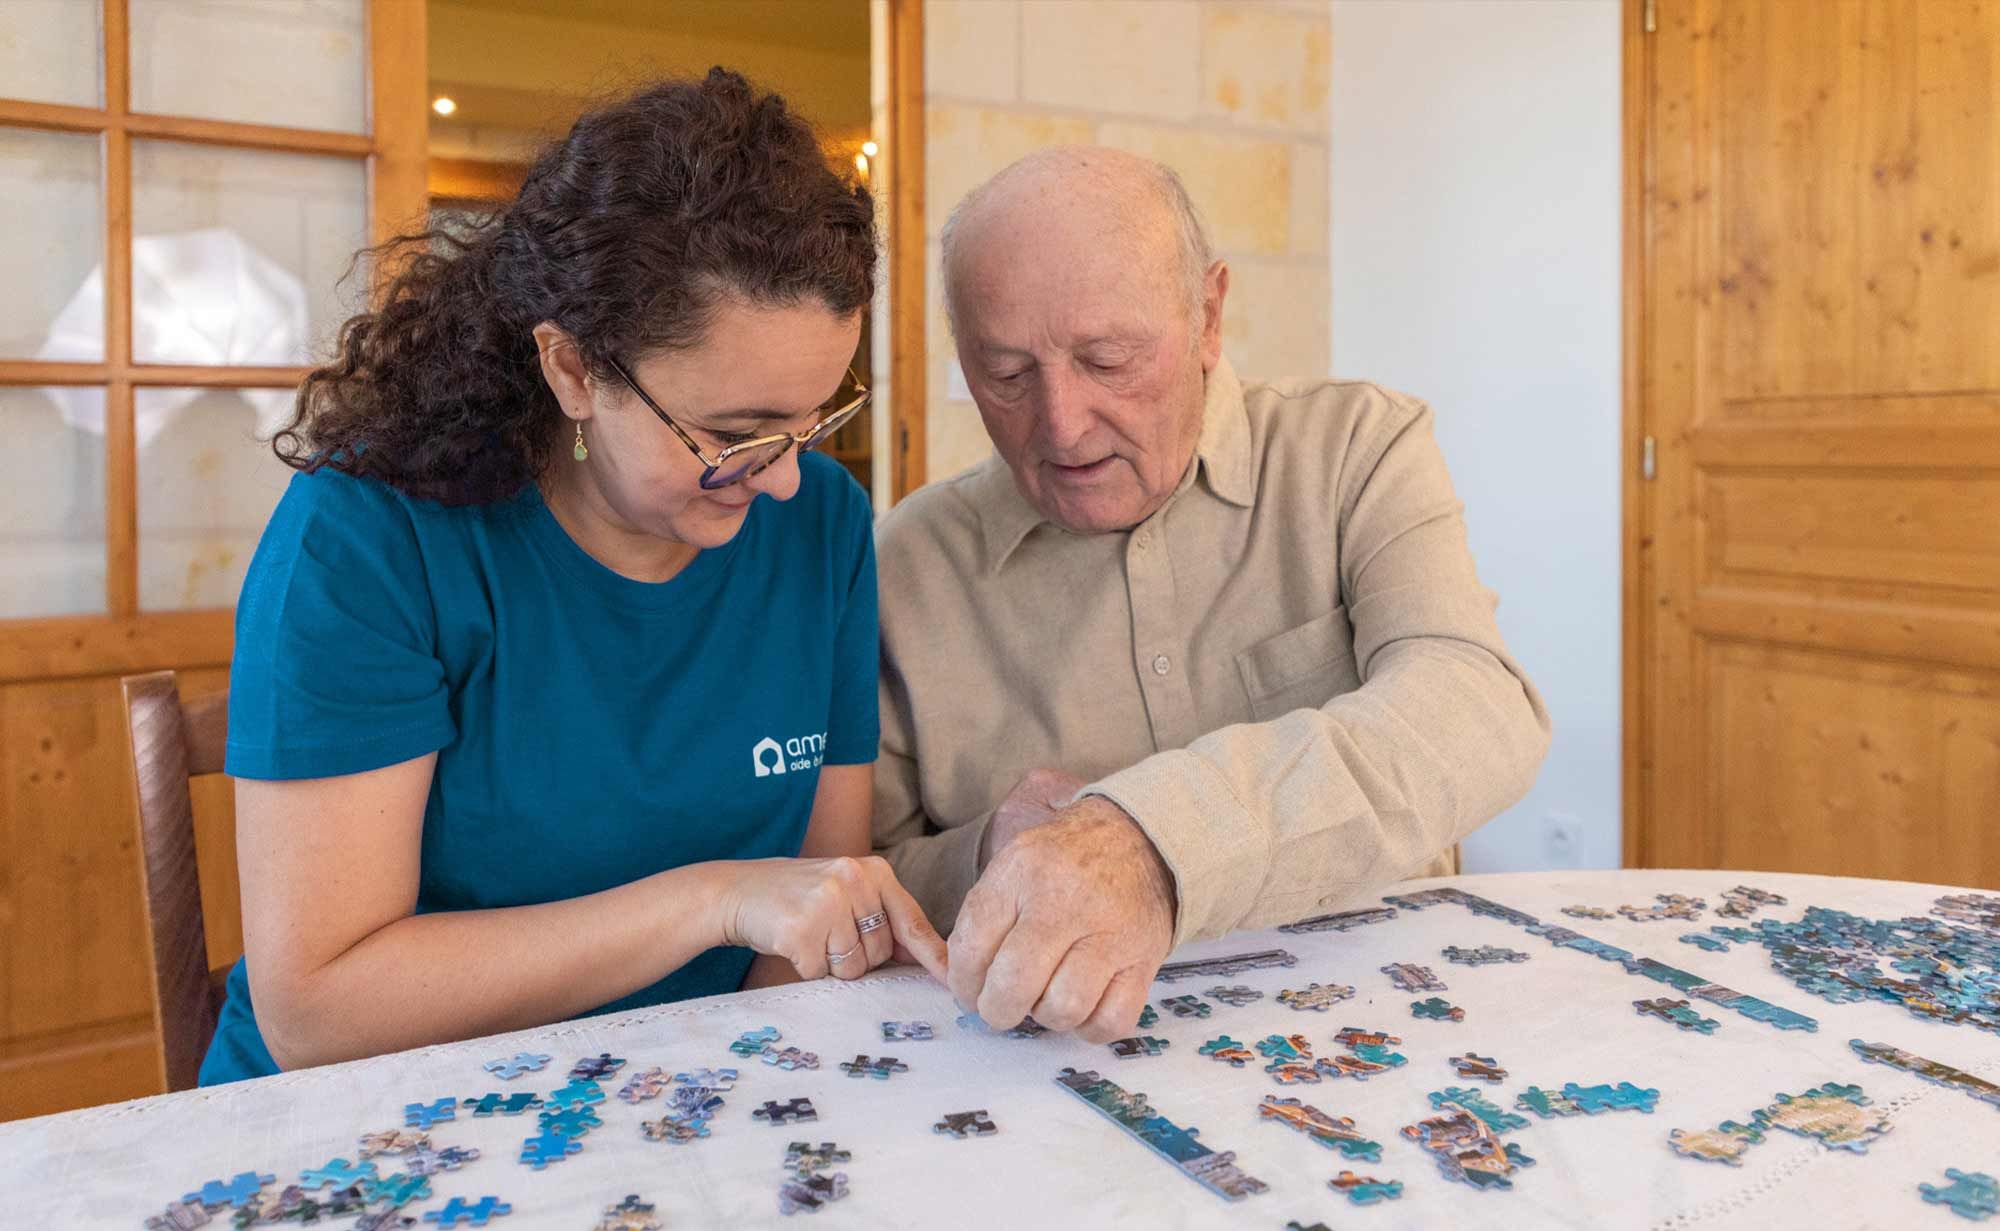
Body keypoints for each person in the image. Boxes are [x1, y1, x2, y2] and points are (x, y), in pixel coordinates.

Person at [202, 69, 945, 1085]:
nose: (779, 480)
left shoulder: (824, 522)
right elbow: (319, 1009)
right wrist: (711, 898)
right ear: (571, 369)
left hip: (691, 1096)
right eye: (731, 434)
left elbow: (808, 927)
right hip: (370, 1117)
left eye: (813, 419)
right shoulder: (369, 537)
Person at [873, 146, 1550, 1042]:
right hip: (1059, 1080)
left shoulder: (1355, 449)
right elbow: (857, 884)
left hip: (1391, 1030)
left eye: (1108, 359)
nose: (1062, 423)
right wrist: (989, 853)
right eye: (1005, 375)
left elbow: (1477, 707)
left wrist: (1151, 840)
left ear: (1208, 315)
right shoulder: (902, 563)